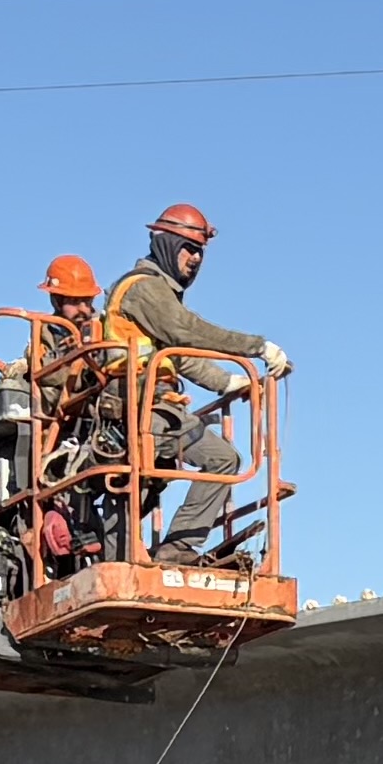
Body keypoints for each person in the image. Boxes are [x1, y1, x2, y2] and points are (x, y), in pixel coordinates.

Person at [96, 201, 280, 549]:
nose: (195, 259)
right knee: (152, 478)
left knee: (212, 463)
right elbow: (184, 332)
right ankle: (157, 551)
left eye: (200, 252)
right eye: (190, 249)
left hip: (158, 405)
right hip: (136, 404)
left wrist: (226, 382)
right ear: (167, 243)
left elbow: (179, 356)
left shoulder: (160, 293)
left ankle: (167, 551)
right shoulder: (143, 288)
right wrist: (257, 347)